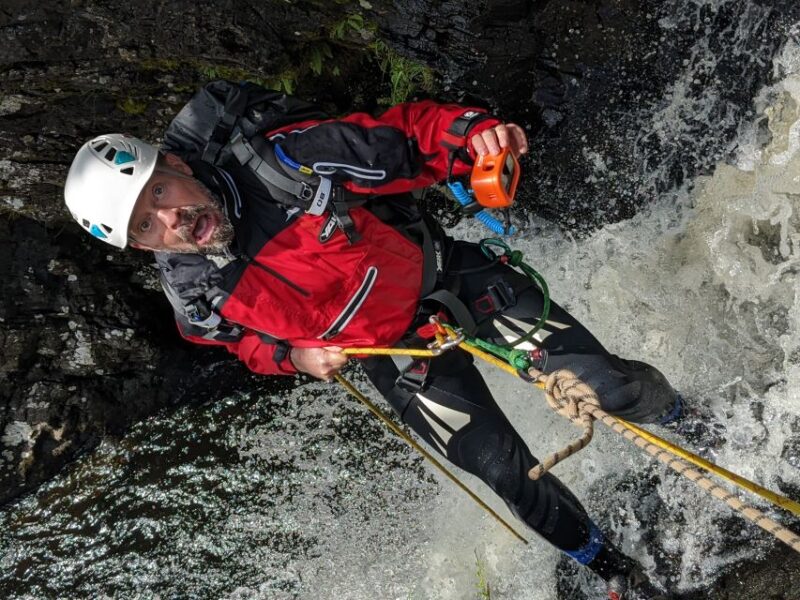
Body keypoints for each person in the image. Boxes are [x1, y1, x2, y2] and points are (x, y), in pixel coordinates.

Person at [63, 95, 681, 599]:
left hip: (453, 282)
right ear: (141, 248)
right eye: (146, 225)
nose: (171, 221)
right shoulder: (197, 290)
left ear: (177, 165)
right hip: (395, 356)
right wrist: (294, 358)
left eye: (160, 194)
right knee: (505, 473)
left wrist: (475, 135)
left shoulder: (281, 163)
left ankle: (689, 422)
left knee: (609, 389)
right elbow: (243, 345)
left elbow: (404, 138)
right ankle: (615, 572)